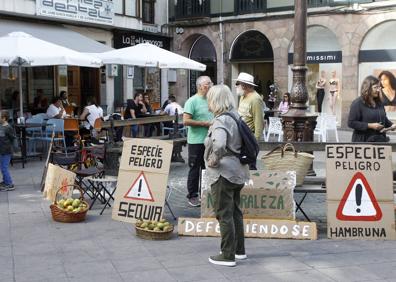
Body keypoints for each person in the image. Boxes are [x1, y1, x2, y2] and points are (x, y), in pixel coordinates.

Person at [204, 84, 249, 267]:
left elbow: (220, 144)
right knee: (235, 212)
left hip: (223, 173)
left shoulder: (221, 120)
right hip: (238, 171)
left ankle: (227, 255)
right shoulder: (236, 116)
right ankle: (239, 250)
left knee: (224, 214)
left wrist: (214, 159)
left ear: (214, 100)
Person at [183, 76, 213, 207]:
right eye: (208, 84)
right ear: (200, 86)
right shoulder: (192, 101)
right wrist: (204, 124)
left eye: (211, 83)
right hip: (196, 141)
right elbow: (185, 121)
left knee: (208, 168)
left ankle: (206, 194)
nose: (211, 86)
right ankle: (193, 195)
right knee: (195, 168)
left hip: (210, 140)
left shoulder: (211, 100)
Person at [348, 75, 396, 142]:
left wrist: (392, 125)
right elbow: (351, 123)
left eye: (379, 87)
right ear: (367, 88)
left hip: (380, 141)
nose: (378, 90)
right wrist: (370, 126)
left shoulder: (379, 103)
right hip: (363, 141)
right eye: (375, 87)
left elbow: (384, 118)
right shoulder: (357, 103)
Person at [236, 72, 264, 170]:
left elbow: (259, 122)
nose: (237, 86)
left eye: (237, 84)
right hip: (242, 136)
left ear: (244, 85)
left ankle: (252, 184)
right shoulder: (243, 96)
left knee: (250, 165)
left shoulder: (256, 99)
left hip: (249, 137)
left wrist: (255, 142)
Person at [0, 110, 16, 191]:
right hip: (1, 151)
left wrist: (14, 148)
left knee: (4, 168)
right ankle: (5, 181)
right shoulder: (1, 126)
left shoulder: (8, 128)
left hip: (6, 151)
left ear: (4, 118)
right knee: (2, 167)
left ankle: (10, 184)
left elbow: (13, 138)